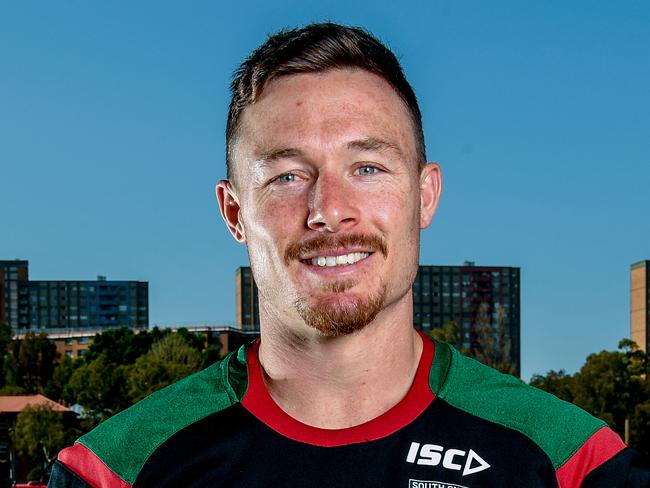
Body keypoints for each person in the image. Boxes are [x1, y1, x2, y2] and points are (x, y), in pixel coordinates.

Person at [49, 23, 648, 487]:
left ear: (424, 195)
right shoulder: (112, 471)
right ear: (234, 213)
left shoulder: (574, 463)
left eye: (367, 167)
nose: (329, 209)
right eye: (286, 176)